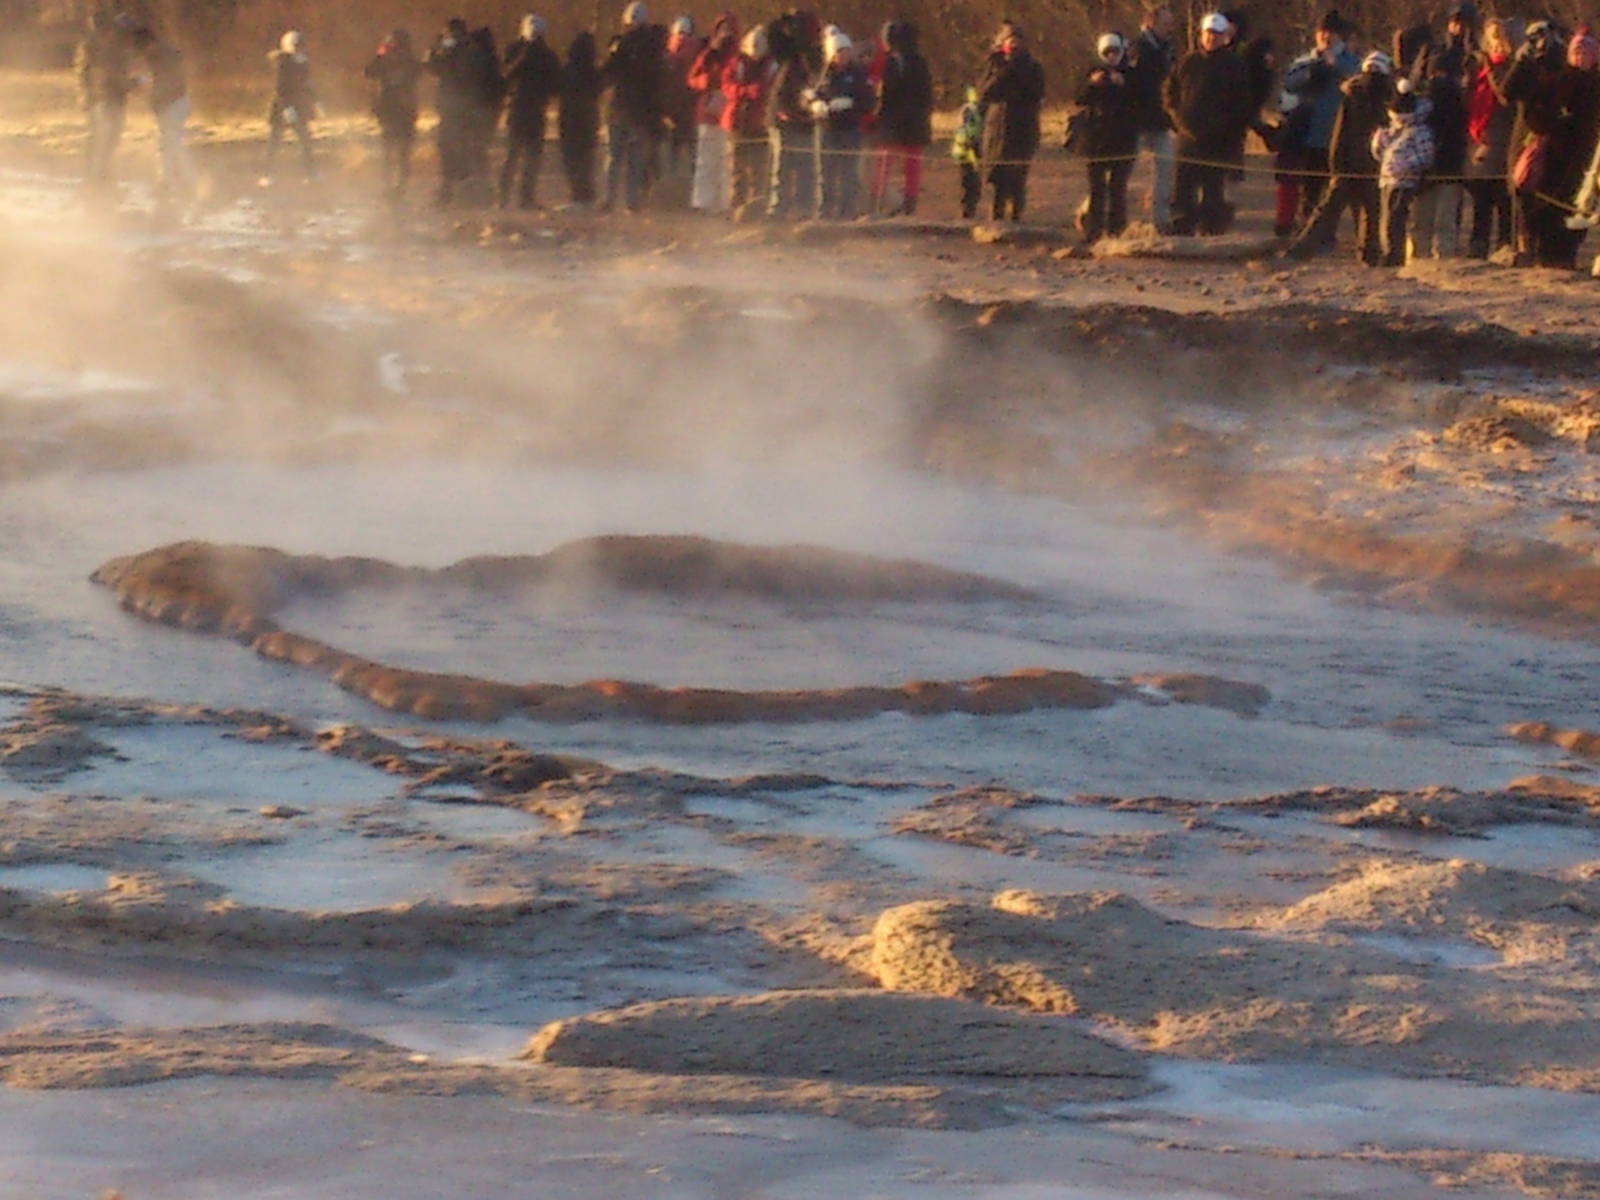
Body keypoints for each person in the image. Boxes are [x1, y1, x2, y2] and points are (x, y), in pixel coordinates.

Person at [1286, 48, 1392, 263]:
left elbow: (1339, 134)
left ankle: (1301, 251)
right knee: (1369, 213)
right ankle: (1368, 255)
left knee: (1328, 212)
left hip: (1349, 163)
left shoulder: (1354, 95)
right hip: (1370, 165)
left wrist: (1335, 164)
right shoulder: (1384, 96)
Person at [1164, 11, 1252, 235]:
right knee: (1183, 187)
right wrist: (1177, 117)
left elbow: (1241, 104)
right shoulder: (1188, 61)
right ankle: (1182, 228)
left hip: (1218, 139)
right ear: (1201, 34)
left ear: (1225, 37)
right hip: (1187, 136)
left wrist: (1230, 133)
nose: (1211, 38)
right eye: (1208, 33)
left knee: (1213, 188)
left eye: (1217, 34)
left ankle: (1212, 230)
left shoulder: (1234, 65)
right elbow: (1169, 92)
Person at [1520, 30, 1600, 267]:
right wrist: (1551, 123)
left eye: (1585, 51)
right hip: (1555, 155)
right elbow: (1531, 111)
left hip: (1588, 157)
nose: (1580, 56)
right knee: (1547, 208)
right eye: (1576, 51)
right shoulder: (1555, 81)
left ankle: (1567, 255)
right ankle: (1545, 254)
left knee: (1579, 208)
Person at [1279, 10, 1359, 231]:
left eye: (1331, 33)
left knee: (1335, 189)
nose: (1326, 37)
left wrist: (1334, 66)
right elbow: (1289, 84)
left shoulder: (1350, 61)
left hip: (1337, 133)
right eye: (1322, 32)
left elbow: (1357, 83)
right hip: (1308, 135)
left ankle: (1327, 232)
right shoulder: (1305, 61)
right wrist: (1311, 72)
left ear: (1340, 37)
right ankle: (1306, 230)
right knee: (1310, 187)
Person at [1503, 20, 1568, 263]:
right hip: (1524, 135)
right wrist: (1522, 61)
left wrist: (1554, 52)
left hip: (1553, 139)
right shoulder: (1528, 64)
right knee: (1522, 193)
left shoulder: (1561, 60)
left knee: (1549, 198)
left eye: (1541, 36)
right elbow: (1506, 94)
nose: (1538, 41)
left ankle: (1550, 252)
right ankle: (1525, 248)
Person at [1075, 32, 1139, 242]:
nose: (1111, 56)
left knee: (1118, 188)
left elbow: (1141, 102)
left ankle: (1116, 231)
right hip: (1096, 140)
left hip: (1123, 140)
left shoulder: (1131, 73)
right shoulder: (1092, 72)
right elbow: (1079, 98)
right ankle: (1093, 231)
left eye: (1115, 51)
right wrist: (1092, 84)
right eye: (1107, 52)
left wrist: (1125, 84)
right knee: (1096, 189)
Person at [978, 22, 1045, 221]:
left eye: (1017, 41)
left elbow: (1037, 94)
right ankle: (996, 218)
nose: (1014, 45)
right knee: (998, 177)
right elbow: (984, 93)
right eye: (1010, 41)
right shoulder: (994, 65)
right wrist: (1002, 72)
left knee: (1018, 177)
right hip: (997, 126)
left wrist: (1018, 73)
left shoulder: (1033, 67)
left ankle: (1017, 217)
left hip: (1023, 127)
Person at [1411, 33, 1469, 259]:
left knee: (1421, 220)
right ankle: (1443, 256)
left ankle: (1417, 255)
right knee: (1445, 220)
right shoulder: (1458, 98)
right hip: (1450, 165)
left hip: (1424, 164)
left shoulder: (1423, 97)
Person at [601, 0, 661, 212]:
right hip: (626, 108)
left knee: (622, 157)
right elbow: (607, 72)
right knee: (624, 158)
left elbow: (607, 72)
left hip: (630, 108)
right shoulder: (643, 44)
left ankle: (620, 200)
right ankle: (621, 201)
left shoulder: (642, 45)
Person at [1463, 17, 1515, 257]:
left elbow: (1505, 96)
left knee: (1503, 196)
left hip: (1502, 135)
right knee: (1480, 196)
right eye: (1491, 36)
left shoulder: (1510, 66)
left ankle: (1506, 244)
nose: (1495, 42)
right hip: (1479, 136)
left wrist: (1491, 69)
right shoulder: (1480, 69)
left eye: (1499, 35)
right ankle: (1479, 243)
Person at [130, 24, 197, 211]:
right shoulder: (166, 51)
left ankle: (188, 182)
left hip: (172, 105)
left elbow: (163, 82)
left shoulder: (158, 55)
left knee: (173, 144)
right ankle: (167, 183)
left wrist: (141, 86)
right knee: (167, 144)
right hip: (175, 103)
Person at [810, 28, 873, 219]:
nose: (843, 55)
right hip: (825, 129)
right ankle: (824, 212)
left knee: (848, 174)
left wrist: (851, 104)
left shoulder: (858, 74)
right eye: (839, 52)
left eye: (846, 51)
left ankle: (847, 212)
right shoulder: (822, 75)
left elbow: (869, 102)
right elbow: (809, 94)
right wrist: (813, 104)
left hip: (849, 130)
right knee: (825, 174)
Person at [500, 14, 562, 209]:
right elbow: (556, 86)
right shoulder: (546, 55)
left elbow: (505, 77)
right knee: (521, 156)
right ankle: (515, 197)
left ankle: (517, 197)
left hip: (525, 109)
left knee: (521, 156)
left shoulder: (517, 51)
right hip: (528, 109)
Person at [1372, 77, 1436, 265]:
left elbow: (1426, 156)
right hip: (1386, 179)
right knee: (1385, 218)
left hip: (1405, 181)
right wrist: (1378, 141)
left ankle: (1395, 254)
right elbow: (1379, 154)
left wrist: (1407, 166)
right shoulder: (1390, 131)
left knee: (1396, 218)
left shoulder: (1420, 131)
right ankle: (1388, 250)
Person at [1124, 4, 1176, 230]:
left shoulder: (1168, 49)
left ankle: (1160, 218)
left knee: (1165, 167)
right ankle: (1095, 211)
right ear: (1151, 23)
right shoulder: (1138, 49)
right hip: (1136, 120)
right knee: (1123, 169)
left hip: (1160, 119)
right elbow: (1133, 85)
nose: (1170, 28)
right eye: (1165, 23)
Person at [872, 21, 933, 215]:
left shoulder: (889, 62)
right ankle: (908, 206)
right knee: (911, 167)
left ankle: (879, 203)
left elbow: (884, 94)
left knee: (884, 165)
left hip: (892, 122)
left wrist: (877, 117)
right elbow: (927, 95)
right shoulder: (920, 62)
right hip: (915, 122)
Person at [766, 10, 822, 218]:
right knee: (783, 165)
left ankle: (803, 207)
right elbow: (772, 35)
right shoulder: (788, 52)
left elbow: (817, 78)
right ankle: (779, 206)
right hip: (782, 115)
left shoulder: (816, 55)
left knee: (804, 166)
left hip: (803, 118)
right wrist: (783, 20)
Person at [76, 10, 132, 195]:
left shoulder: (98, 49)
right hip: (105, 102)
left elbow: (89, 77)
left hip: (106, 100)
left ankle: (98, 182)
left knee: (104, 142)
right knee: (103, 143)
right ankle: (96, 184)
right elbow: (104, 78)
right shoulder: (98, 50)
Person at [687, 14, 740, 212]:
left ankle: (725, 203)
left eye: (728, 28)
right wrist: (705, 81)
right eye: (721, 28)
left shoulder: (738, 54)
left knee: (727, 160)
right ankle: (702, 202)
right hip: (707, 109)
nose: (725, 33)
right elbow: (692, 78)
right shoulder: (708, 53)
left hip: (729, 111)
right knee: (705, 161)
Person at [365, 28, 421, 203]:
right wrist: (380, 56)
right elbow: (369, 72)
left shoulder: (409, 62)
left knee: (400, 152)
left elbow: (415, 74)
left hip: (401, 110)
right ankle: (391, 187)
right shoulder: (387, 61)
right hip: (391, 111)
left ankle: (398, 187)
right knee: (391, 152)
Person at [725, 24, 775, 218]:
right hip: (737, 121)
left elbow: (773, 88)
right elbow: (727, 86)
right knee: (737, 168)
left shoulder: (771, 65)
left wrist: (760, 91)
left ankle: (756, 207)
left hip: (760, 122)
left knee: (758, 169)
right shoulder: (737, 63)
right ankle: (735, 206)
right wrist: (746, 91)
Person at [428, 19, 480, 204]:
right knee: (453, 149)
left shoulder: (464, 51)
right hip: (458, 106)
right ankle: (456, 192)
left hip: (457, 106)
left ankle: (453, 193)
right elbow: (433, 68)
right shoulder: (470, 49)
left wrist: (439, 49)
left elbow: (434, 67)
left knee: (452, 150)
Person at [264, 30, 317, 183]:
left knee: (306, 141)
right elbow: (280, 88)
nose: (299, 48)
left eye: (301, 45)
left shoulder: (303, 62)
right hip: (282, 108)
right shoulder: (283, 63)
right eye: (296, 45)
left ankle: (310, 173)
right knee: (274, 143)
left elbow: (307, 84)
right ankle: (267, 174)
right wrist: (287, 108)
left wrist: (316, 100)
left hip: (299, 107)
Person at [559, 30, 603, 205]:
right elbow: (599, 88)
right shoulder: (593, 70)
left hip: (569, 118)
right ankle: (586, 194)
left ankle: (577, 193)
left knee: (571, 159)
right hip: (588, 119)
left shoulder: (567, 69)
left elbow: (558, 88)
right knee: (586, 158)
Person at [662, 15, 703, 186]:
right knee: (690, 157)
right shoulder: (698, 55)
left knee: (676, 157)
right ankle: (687, 192)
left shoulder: (668, 57)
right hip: (687, 111)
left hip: (683, 112)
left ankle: (672, 190)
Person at [951, 84, 983, 219]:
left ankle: (967, 210)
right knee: (971, 182)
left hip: (962, 148)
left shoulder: (966, 109)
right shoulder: (975, 110)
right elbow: (971, 132)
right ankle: (967, 211)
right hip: (969, 148)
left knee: (968, 181)